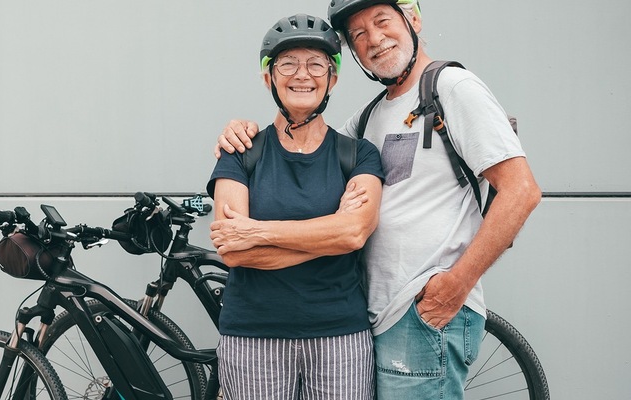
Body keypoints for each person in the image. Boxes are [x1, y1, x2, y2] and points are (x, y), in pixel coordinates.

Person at [214, 1, 542, 398]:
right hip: (381, 313)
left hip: (424, 308)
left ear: (413, 19)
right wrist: (241, 129)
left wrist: (456, 285)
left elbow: (521, 190)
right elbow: (305, 136)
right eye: (359, 35)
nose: (374, 40)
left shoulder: (452, 87)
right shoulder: (372, 117)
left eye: (382, 21)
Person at [207, 13, 385, 400]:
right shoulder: (241, 153)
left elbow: (354, 232)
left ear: (332, 79)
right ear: (268, 77)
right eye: (287, 63)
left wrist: (257, 231)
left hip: (340, 335)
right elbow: (233, 251)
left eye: (316, 64)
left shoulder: (358, 155)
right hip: (253, 336)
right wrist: (330, 231)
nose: (302, 74)